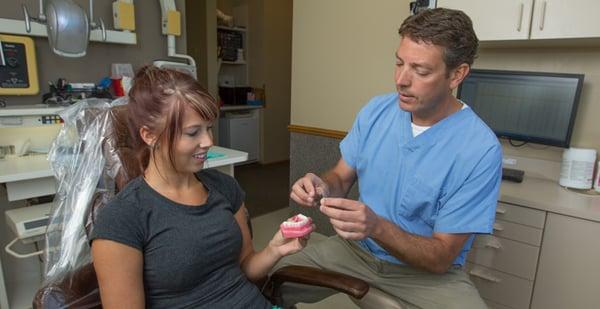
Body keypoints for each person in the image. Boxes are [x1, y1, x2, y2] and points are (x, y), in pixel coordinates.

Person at [279, 8, 502, 309]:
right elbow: (341, 178)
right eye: (399, 63)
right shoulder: (376, 111)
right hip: (354, 251)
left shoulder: (479, 148)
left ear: (457, 74)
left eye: (420, 71)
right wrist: (321, 185)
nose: (401, 79)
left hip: (423, 275)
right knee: (261, 282)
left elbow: (441, 256)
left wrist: (376, 226)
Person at [90, 66, 313, 308]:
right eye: (193, 132)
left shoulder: (225, 187)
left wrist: (274, 249)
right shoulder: (123, 218)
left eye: (208, 128)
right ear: (149, 135)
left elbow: (246, 268)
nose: (208, 141)